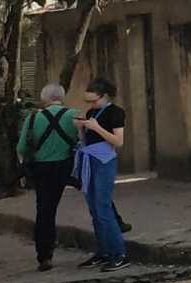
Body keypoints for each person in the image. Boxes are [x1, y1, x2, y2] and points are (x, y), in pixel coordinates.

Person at [16, 83, 78, 271]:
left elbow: (22, 148)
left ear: (44, 99)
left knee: (45, 211)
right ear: (62, 97)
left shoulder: (33, 117)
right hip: (68, 166)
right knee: (96, 201)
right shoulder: (74, 114)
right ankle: (110, 246)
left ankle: (44, 256)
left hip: (42, 170)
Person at [75, 78, 129, 272]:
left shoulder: (116, 112)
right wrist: (81, 129)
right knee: (94, 209)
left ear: (104, 96)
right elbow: (86, 141)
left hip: (105, 161)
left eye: (93, 100)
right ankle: (104, 251)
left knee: (103, 207)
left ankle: (119, 253)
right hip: (89, 159)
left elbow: (118, 141)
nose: (91, 105)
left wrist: (97, 127)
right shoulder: (92, 112)